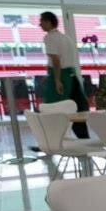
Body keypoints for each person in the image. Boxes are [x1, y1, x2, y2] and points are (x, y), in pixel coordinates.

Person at [39, 11, 89, 139]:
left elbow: (56, 60)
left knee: (53, 109)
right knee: (75, 109)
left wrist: (56, 80)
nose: (40, 24)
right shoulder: (65, 38)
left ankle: (52, 140)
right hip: (71, 75)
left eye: (42, 21)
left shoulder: (50, 37)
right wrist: (49, 76)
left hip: (61, 76)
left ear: (48, 22)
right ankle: (83, 138)